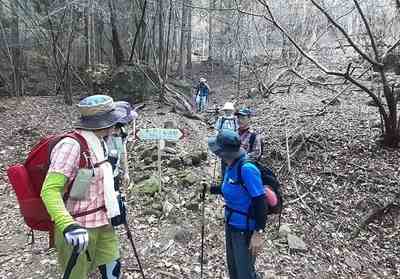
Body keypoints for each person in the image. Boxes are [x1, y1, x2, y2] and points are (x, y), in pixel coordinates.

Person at [41, 95, 125, 279]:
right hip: (77, 228)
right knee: (76, 275)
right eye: (113, 121)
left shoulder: (99, 142)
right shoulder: (71, 146)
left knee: (113, 269)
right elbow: (49, 190)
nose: (115, 125)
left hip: (104, 222)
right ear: (103, 123)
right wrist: (67, 225)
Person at [207, 129, 267, 279]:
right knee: (233, 269)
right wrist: (209, 189)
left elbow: (261, 201)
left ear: (224, 152)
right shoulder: (231, 165)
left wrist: (258, 233)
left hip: (245, 230)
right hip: (231, 225)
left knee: (245, 273)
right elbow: (231, 188)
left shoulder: (246, 169)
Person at [107, 101, 138, 191]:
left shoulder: (122, 133)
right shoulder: (101, 136)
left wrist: (126, 173)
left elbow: (122, 153)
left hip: (114, 174)